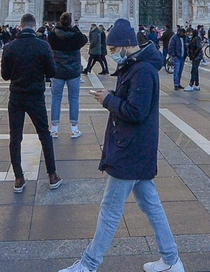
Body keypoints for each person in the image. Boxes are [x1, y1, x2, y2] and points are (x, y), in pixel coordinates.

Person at [58, 18, 181, 272]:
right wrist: (112, 98)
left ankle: (88, 265)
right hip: (135, 147)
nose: (111, 53)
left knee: (110, 210)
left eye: (113, 49)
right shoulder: (136, 67)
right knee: (152, 206)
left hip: (131, 150)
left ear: (125, 45)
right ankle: (171, 261)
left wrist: (107, 100)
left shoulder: (143, 71)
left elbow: (136, 111)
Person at [0, 13, 62, 193]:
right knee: (44, 134)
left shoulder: (10, 47)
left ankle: (18, 178)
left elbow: (5, 76)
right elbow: (51, 71)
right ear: (34, 27)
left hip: (16, 97)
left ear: (19, 26)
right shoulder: (43, 46)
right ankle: (52, 175)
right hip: (36, 97)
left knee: (15, 137)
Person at [49, 12, 88, 139]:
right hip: (73, 72)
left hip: (57, 72)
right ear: (70, 22)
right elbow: (84, 40)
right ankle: (74, 128)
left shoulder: (53, 35)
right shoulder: (76, 36)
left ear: (60, 21)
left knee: (56, 98)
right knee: (74, 99)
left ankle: (54, 129)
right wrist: (76, 28)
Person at [167, 26, 187, 91]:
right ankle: (176, 84)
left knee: (180, 71)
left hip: (182, 57)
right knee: (176, 71)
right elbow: (171, 46)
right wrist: (173, 55)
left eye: (184, 33)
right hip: (177, 57)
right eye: (182, 33)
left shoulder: (184, 38)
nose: (183, 34)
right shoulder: (174, 38)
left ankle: (178, 83)